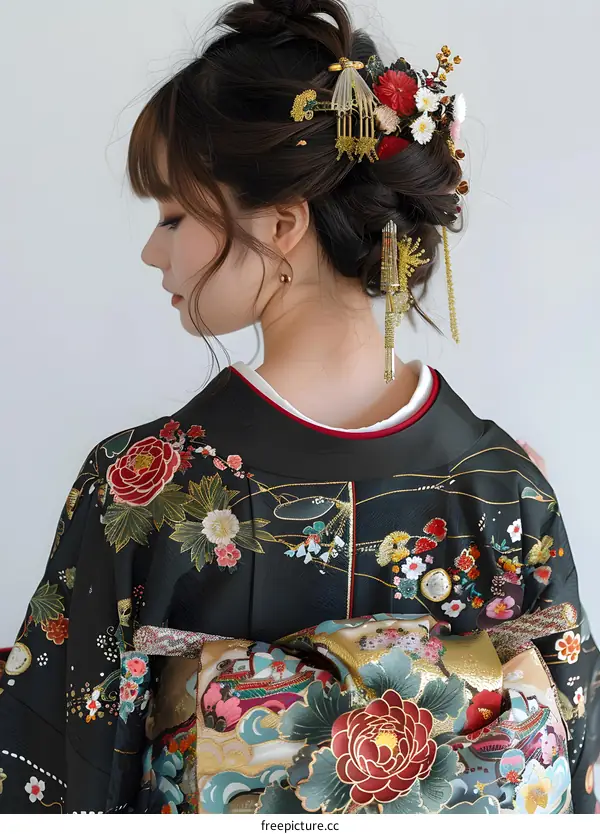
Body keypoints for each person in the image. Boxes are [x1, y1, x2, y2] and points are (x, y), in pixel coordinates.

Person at [0, 0, 598, 815]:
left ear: (282, 225)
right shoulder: (502, 491)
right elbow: (579, 778)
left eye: (173, 216)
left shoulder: (146, 491)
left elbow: (57, 786)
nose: (153, 250)